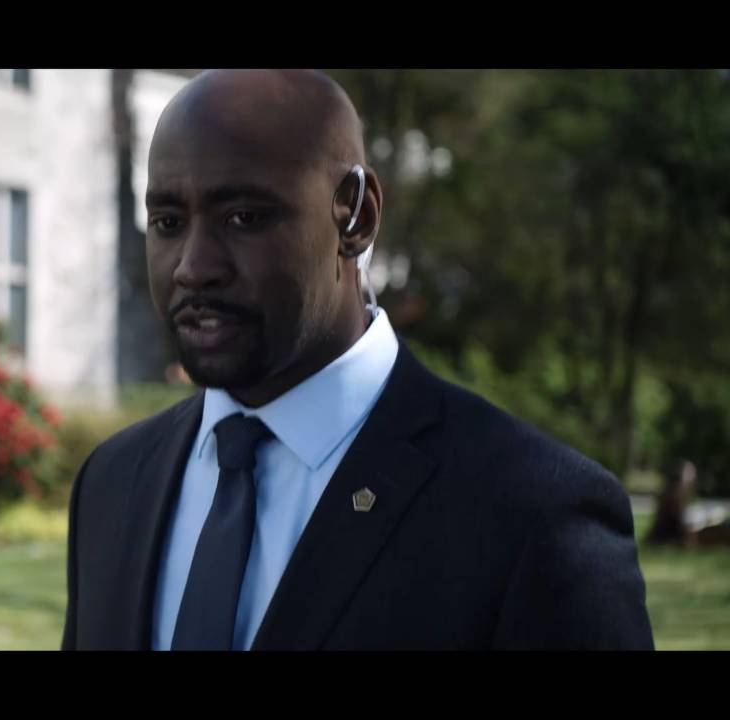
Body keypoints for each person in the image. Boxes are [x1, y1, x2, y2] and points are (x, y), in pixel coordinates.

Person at [60, 69, 653, 650]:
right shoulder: (111, 484)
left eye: (244, 218)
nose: (193, 267)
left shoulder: (532, 514)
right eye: (167, 222)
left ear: (357, 215)